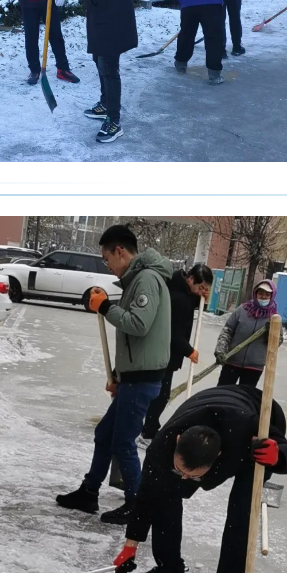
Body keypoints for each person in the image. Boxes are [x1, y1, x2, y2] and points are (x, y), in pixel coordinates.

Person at [112, 385, 287, 573]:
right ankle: (169, 570)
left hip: (253, 423)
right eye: (181, 470)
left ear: (219, 457)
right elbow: (147, 494)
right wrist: (131, 543)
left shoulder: (249, 429)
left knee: (241, 514)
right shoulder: (163, 443)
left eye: (193, 476)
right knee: (165, 490)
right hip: (206, 405)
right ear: (178, 441)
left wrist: (278, 456)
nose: (185, 478)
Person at [56, 224, 172, 525]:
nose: (107, 265)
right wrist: (120, 376)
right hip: (135, 376)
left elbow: (139, 324)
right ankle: (89, 492)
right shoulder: (137, 278)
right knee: (105, 434)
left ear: (119, 251)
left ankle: (137, 504)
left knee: (122, 442)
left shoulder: (146, 279)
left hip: (143, 378)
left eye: (107, 258)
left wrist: (106, 306)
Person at [46, 0, 138, 144]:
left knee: (108, 67)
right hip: (102, 12)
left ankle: (114, 121)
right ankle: (106, 104)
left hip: (112, 15)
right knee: (100, 59)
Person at [139, 263, 213, 445]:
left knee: (157, 393)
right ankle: (147, 433)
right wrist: (189, 351)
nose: (202, 291)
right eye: (201, 287)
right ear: (191, 279)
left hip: (164, 352)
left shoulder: (179, 287)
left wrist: (200, 299)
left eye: (205, 289)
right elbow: (173, 331)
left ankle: (147, 428)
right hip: (164, 352)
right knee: (159, 395)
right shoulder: (178, 297)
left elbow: (187, 304)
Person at [171, 0, 241, 85]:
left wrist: (183, 2)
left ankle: (180, 63)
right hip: (211, 3)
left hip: (188, 5)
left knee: (186, 34)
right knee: (213, 36)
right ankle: (214, 74)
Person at [215, 279, 282, 387]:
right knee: (223, 392)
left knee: (244, 396)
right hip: (232, 361)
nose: (263, 297)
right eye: (260, 293)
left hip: (254, 367)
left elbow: (277, 342)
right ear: (255, 294)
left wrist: (271, 332)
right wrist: (220, 351)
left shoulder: (274, 318)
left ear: (272, 296)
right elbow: (227, 331)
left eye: (267, 294)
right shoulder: (242, 310)